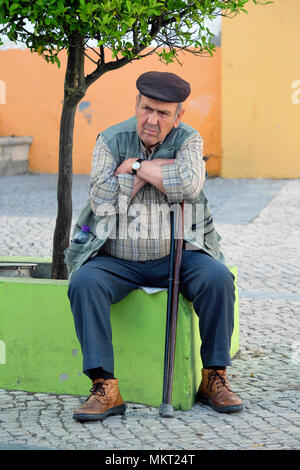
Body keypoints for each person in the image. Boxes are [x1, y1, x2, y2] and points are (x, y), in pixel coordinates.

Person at [66, 71, 243, 422]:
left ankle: (214, 378)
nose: (152, 119)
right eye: (147, 109)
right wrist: (156, 169)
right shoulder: (110, 140)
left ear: (178, 116)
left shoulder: (189, 139)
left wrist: (131, 169)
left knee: (218, 278)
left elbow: (188, 186)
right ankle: (105, 386)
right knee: (84, 284)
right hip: (117, 258)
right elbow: (103, 205)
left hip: (176, 254)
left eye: (163, 113)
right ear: (136, 104)